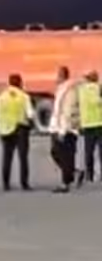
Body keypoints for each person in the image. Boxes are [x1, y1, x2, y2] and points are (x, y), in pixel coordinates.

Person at [0, 73, 34, 191]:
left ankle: (6, 183)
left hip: (5, 128)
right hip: (20, 127)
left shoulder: (2, 96)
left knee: (7, 156)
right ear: (20, 83)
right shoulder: (24, 96)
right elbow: (30, 113)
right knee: (23, 157)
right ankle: (24, 183)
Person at [49, 65, 79, 193]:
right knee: (55, 152)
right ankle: (72, 173)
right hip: (58, 126)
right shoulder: (61, 89)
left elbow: (67, 111)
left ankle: (65, 183)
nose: (57, 77)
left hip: (67, 129)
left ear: (63, 75)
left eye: (59, 74)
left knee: (65, 155)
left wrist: (63, 130)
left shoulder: (70, 90)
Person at [77, 71, 102, 182]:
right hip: (100, 123)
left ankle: (89, 175)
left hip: (87, 124)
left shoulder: (81, 90)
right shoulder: (99, 88)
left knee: (89, 151)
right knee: (101, 151)